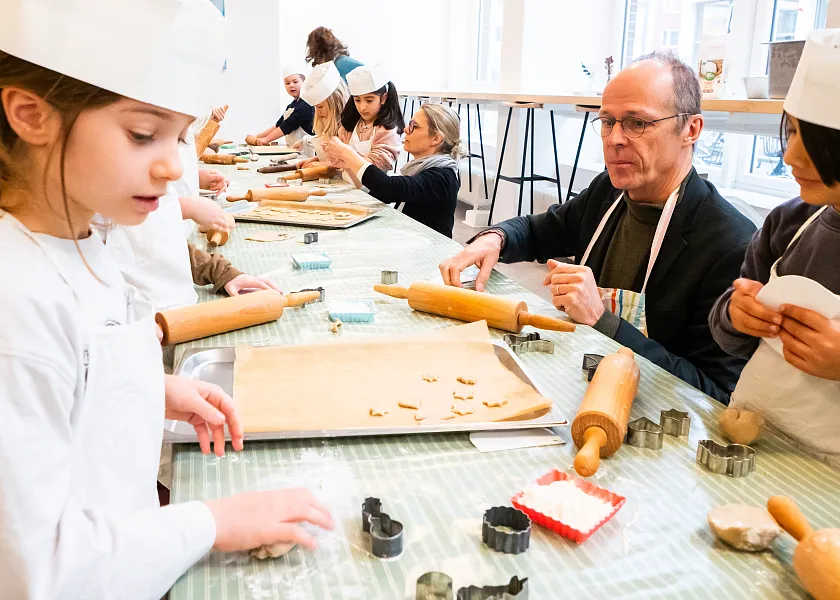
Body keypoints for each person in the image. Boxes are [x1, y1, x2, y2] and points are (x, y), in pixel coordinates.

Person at [0, 2, 333, 598]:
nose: (173, 163)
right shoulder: (17, 302)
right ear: (32, 116)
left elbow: (73, 377)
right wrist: (215, 523)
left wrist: (147, 389)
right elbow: (40, 571)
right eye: (142, 134)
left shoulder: (85, 236)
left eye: (180, 135)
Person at [439, 50, 756, 404]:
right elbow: (541, 229)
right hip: (585, 387)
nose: (615, 138)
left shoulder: (729, 245)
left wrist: (602, 319)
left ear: (691, 129)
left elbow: (713, 393)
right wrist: (494, 238)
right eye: (608, 122)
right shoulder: (609, 192)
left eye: (637, 123)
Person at [709, 29, 840, 465]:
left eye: (817, 142)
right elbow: (731, 336)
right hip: (757, 449)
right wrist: (736, 315)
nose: (791, 157)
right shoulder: (789, 222)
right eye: (792, 131)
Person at [325, 103, 462, 237]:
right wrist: (348, 165)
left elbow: (388, 187)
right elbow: (378, 195)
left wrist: (348, 155)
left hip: (431, 252)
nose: (406, 129)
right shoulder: (423, 168)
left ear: (436, 138)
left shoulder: (443, 177)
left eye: (414, 126)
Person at [334, 64, 404, 179]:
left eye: (369, 100)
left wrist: (344, 156)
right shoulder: (350, 126)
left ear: (383, 98)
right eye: (357, 100)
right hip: (347, 184)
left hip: (373, 193)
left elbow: (377, 165)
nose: (362, 107)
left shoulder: (387, 131)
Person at [294, 60, 350, 164]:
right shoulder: (327, 122)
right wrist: (315, 159)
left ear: (335, 102)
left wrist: (322, 164)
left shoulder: (349, 128)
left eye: (320, 107)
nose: (318, 113)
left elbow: (346, 163)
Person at [248, 65, 314, 147]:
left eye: (295, 82)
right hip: (295, 148)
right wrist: (257, 137)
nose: (291, 85)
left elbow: (287, 126)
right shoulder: (291, 105)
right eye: (287, 83)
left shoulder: (306, 104)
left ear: (304, 82)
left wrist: (266, 139)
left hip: (307, 150)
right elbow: (278, 126)